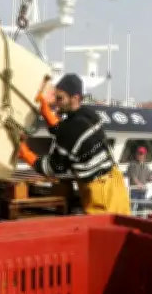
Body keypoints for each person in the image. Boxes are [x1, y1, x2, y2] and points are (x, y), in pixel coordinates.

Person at [17, 73, 131, 215]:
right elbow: (66, 131)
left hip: (101, 193)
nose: (57, 103)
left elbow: (51, 168)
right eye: (56, 98)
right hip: (115, 183)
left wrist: (23, 152)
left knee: (103, 234)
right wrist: (46, 112)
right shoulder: (88, 115)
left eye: (60, 99)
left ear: (75, 98)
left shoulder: (72, 129)